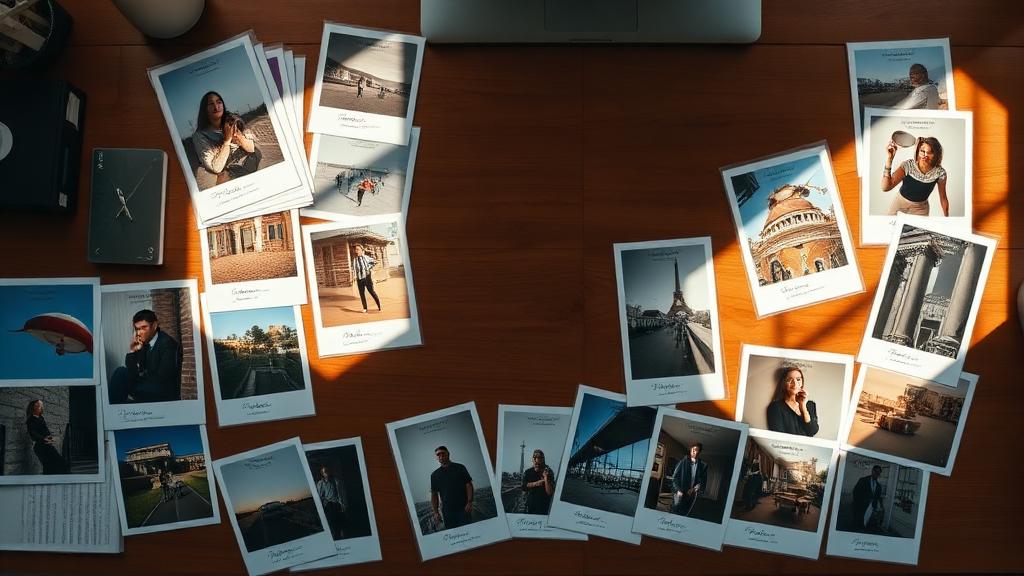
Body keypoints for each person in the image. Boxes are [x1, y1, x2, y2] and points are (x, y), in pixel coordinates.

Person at [108, 310, 184, 404]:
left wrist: (138, 378)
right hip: (150, 386)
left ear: (155, 325)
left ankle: (114, 407)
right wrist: (133, 351)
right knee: (121, 372)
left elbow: (162, 378)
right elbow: (134, 372)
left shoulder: (167, 343)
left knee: (121, 377)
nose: (139, 333)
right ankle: (115, 407)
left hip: (163, 392)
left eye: (143, 328)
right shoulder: (146, 343)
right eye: (137, 329)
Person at [192, 91, 262, 185]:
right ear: (204, 110)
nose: (216, 107)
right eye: (211, 104)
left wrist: (238, 137)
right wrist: (227, 141)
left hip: (244, 164)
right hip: (227, 171)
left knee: (256, 152)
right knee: (224, 178)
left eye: (219, 102)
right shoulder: (200, 135)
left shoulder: (230, 120)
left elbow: (252, 149)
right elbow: (216, 168)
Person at [882, 136, 949, 217]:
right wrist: (890, 159)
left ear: (936, 154)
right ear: (918, 151)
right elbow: (885, 188)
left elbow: (943, 198)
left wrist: (947, 218)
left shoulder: (940, 173)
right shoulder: (908, 165)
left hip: (920, 210)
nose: (925, 155)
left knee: (918, 230)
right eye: (922, 151)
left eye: (930, 152)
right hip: (899, 204)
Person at [766, 366, 820, 437]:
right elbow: (778, 436)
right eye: (789, 380)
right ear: (784, 384)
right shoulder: (775, 407)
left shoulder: (811, 404)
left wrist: (803, 407)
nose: (795, 383)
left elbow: (812, 431)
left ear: (802, 382)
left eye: (798, 379)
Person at [430, 446, 474, 530]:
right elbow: (434, 494)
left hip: (463, 508)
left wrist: (470, 502)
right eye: (438, 455)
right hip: (447, 512)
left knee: (468, 531)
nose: (441, 456)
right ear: (437, 457)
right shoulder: (434, 475)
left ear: (448, 454)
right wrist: (436, 512)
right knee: (453, 535)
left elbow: (468, 485)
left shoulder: (460, 468)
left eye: (443, 454)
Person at [25, 400, 70, 474]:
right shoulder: (31, 420)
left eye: (40, 405)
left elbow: (45, 430)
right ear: (33, 408)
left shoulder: (41, 418)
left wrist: (51, 438)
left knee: (61, 464)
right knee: (49, 467)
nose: (40, 407)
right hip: (40, 447)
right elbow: (33, 433)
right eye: (38, 405)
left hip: (47, 445)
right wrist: (43, 438)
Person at [670, 443, 708, 516]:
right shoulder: (682, 462)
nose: (694, 452)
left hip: (692, 494)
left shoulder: (703, 466)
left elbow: (703, 480)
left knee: (687, 512)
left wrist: (696, 488)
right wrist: (678, 490)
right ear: (690, 451)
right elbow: (674, 478)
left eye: (696, 450)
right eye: (693, 450)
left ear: (699, 452)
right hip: (680, 492)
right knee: (675, 511)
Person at [316, 465, 349, 539]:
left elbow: (340, 493)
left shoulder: (336, 480)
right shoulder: (320, 483)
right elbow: (320, 496)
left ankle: (344, 539)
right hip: (329, 506)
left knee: (342, 523)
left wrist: (343, 505)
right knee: (332, 525)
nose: (326, 473)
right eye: (324, 472)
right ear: (322, 474)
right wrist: (323, 505)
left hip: (337, 504)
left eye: (327, 471)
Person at [520, 449, 556, 515]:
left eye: (539, 463)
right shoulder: (528, 472)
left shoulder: (549, 472)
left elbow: (550, 492)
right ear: (532, 460)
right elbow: (523, 487)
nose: (536, 463)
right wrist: (536, 483)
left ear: (543, 460)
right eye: (534, 460)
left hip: (544, 508)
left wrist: (546, 478)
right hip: (530, 507)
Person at [852, 465, 885, 531]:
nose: (877, 474)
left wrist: (880, 506)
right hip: (860, 508)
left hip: (871, 509)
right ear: (872, 471)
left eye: (878, 473)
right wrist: (859, 504)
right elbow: (855, 493)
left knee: (867, 525)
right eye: (875, 472)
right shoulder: (863, 480)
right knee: (858, 526)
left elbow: (878, 497)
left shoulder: (879, 486)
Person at [351, 244, 382, 314]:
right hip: (359, 279)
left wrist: (369, 268)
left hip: (367, 278)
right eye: (355, 250)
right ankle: (365, 308)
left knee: (372, 292)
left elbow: (375, 262)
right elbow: (354, 270)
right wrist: (354, 277)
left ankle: (379, 306)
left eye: (358, 249)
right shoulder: (354, 260)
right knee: (362, 294)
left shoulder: (366, 258)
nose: (356, 251)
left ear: (362, 250)